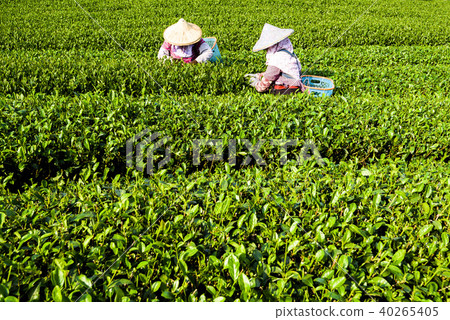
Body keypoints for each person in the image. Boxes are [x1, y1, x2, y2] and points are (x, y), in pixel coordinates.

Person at [246, 24, 306, 95]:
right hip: (296, 89)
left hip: (285, 91)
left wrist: (255, 83)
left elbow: (265, 84)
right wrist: (259, 75)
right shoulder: (289, 54)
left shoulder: (277, 58)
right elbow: (281, 73)